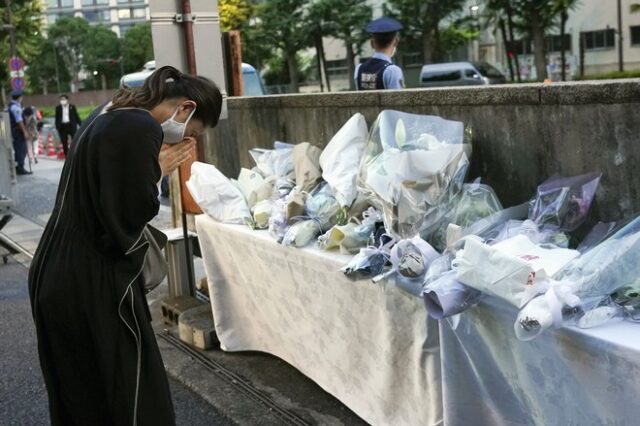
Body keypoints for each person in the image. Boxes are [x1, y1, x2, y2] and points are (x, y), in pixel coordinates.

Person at [28, 66, 223, 426]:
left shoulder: (108, 115)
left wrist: (149, 167)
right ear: (185, 109)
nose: (184, 140)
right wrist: (155, 170)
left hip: (54, 270)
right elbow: (127, 214)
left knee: (79, 392)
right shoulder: (139, 127)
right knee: (130, 392)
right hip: (91, 280)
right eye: (192, 131)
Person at [355, 17, 405, 90]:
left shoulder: (359, 68)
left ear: (372, 43)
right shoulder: (392, 71)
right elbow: (398, 100)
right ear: (396, 41)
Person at [7, 89, 32, 175]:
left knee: (20, 149)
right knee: (21, 149)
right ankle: (20, 167)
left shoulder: (13, 105)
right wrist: (25, 132)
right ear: (20, 97)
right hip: (17, 131)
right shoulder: (15, 107)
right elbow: (19, 121)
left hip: (15, 131)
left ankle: (19, 166)